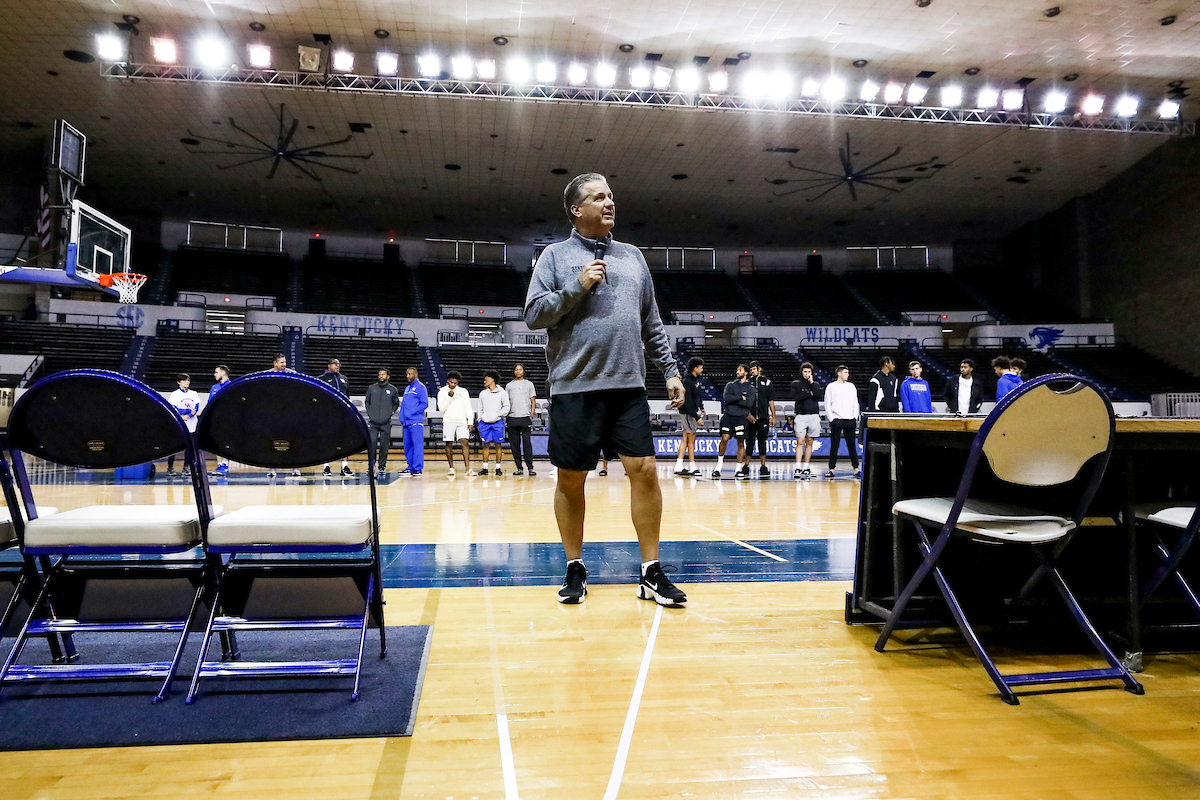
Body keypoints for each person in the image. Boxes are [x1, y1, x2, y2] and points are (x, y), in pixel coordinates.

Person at [524, 171, 686, 607]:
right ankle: (574, 565)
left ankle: (651, 571)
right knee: (571, 479)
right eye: (599, 197)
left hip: (628, 386)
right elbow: (534, 315)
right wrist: (577, 287)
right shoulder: (555, 257)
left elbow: (651, 321)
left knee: (646, 470)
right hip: (575, 386)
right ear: (577, 210)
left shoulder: (633, 257)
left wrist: (669, 369)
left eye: (611, 195)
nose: (609, 203)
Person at [713, 364, 755, 480]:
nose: (738, 371)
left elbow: (748, 404)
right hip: (728, 416)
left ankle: (738, 469)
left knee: (741, 442)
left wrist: (736, 400)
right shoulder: (730, 385)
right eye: (737, 370)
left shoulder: (751, 388)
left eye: (740, 370)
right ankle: (718, 466)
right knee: (724, 439)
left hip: (741, 417)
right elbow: (727, 400)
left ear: (746, 373)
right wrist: (741, 398)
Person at [318, 358, 354, 477]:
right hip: (328, 414)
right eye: (334, 364)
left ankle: (344, 467)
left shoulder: (344, 378)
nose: (337, 366)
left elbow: (347, 396)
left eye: (338, 364)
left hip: (343, 414)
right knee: (328, 440)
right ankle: (326, 467)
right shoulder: (321, 379)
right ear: (329, 365)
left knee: (344, 440)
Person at [824, 365, 860, 478]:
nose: (847, 374)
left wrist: (854, 416)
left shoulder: (851, 386)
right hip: (837, 419)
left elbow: (855, 402)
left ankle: (856, 468)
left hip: (850, 419)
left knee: (852, 446)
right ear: (839, 373)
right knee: (834, 445)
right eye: (845, 372)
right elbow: (827, 403)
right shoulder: (831, 387)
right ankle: (831, 469)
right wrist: (832, 418)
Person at [266, 354, 300, 478]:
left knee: (291, 440)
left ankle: (295, 467)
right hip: (272, 413)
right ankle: (272, 468)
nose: (284, 365)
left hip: (289, 412)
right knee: (272, 440)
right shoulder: (267, 375)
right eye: (281, 363)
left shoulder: (292, 374)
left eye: (285, 362)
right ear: (275, 363)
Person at [437, 371, 475, 477]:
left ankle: (467, 468)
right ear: (448, 381)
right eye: (452, 382)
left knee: (465, 442)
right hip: (448, 420)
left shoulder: (463, 391)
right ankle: (451, 468)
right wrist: (449, 397)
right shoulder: (442, 392)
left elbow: (468, 406)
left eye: (455, 383)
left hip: (462, 421)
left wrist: (470, 421)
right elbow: (441, 408)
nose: (453, 385)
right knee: (449, 443)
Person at [364, 369, 400, 477]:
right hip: (373, 422)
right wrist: (371, 413)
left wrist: (390, 412)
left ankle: (382, 467)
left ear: (388, 376)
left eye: (383, 374)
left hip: (386, 422)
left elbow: (396, 403)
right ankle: (371, 466)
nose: (381, 376)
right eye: (379, 374)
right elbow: (367, 402)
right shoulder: (372, 388)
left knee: (384, 446)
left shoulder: (392, 389)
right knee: (372, 444)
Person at [505, 363, 537, 476]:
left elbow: (533, 401)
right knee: (515, 445)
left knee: (527, 443)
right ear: (514, 372)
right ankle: (519, 468)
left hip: (525, 417)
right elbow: (506, 402)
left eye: (520, 369)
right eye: (516, 370)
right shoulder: (509, 386)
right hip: (512, 418)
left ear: (523, 371)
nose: (518, 371)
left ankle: (530, 467)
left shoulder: (529, 384)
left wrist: (531, 415)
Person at [791, 362, 821, 480]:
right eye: (805, 372)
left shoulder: (816, 384)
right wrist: (809, 393)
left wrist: (812, 385)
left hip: (813, 415)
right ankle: (798, 467)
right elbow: (797, 397)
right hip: (801, 416)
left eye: (809, 372)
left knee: (810, 443)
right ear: (801, 372)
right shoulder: (796, 384)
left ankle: (806, 467)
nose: (807, 374)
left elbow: (818, 395)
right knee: (800, 441)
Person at [676, 357, 705, 477]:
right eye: (701, 367)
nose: (702, 370)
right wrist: (697, 417)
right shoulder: (687, 381)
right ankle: (692, 466)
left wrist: (701, 406)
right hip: (687, 413)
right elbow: (687, 401)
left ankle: (679, 465)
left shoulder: (696, 380)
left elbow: (697, 396)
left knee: (687, 439)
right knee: (690, 438)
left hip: (690, 412)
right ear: (695, 368)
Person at [478, 371, 511, 476]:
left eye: (486, 379)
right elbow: (480, 408)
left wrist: (498, 415)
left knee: (498, 445)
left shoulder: (503, 393)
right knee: (485, 445)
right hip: (485, 422)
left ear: (492, 379)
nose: (484, 381)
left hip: (497, 422)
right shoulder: (483, 393)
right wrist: (480, 418)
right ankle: (485, 468)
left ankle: (498, 468)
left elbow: (506, 407)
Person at [166, 373, 200, 477]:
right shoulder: (175, 394)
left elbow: (197, 407)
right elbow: (175, 408)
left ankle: (186, 467)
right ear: (179, 382)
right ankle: (170, 467)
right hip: (179, 423)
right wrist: (188, 410)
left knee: (189, 447)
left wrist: (189, 415)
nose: (187, 382)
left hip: (191, 423)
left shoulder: (193, 393)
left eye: (188, 380)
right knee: (174, 446)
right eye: (184, 380)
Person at [747, 361, 777, 479]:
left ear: (759, 369)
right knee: (749, 442)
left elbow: (771, 400)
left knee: (762, 441)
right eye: (751, 369)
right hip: (750, 417)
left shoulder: (767, 382)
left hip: (763, 417)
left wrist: (773, 415)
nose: (752, 371)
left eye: (754, 369)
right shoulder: (748, 383)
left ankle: (763, 465)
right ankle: (746, 465)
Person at [399, 367, 429, 477]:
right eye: (407, 374)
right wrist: (402, 417)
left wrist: (413, 412)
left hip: (415, 421)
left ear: (415, 374)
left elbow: (424, 403)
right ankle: (410, 467)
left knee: (417, 445)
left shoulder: (420, 387)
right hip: (406, 422)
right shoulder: (407, 388)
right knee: (408, 445)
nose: (408, 376)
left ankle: (418, 468)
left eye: (410, 374)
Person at [208, 364, 232, 477]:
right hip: (216, 419)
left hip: (227, 419)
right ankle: (220, 465)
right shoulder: (214, 388)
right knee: (217, 442)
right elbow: (209, 403)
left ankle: (225, 464)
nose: (214, 374)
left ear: (223, 373)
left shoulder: (232, 386)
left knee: (225, 441)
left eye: (216, 372)